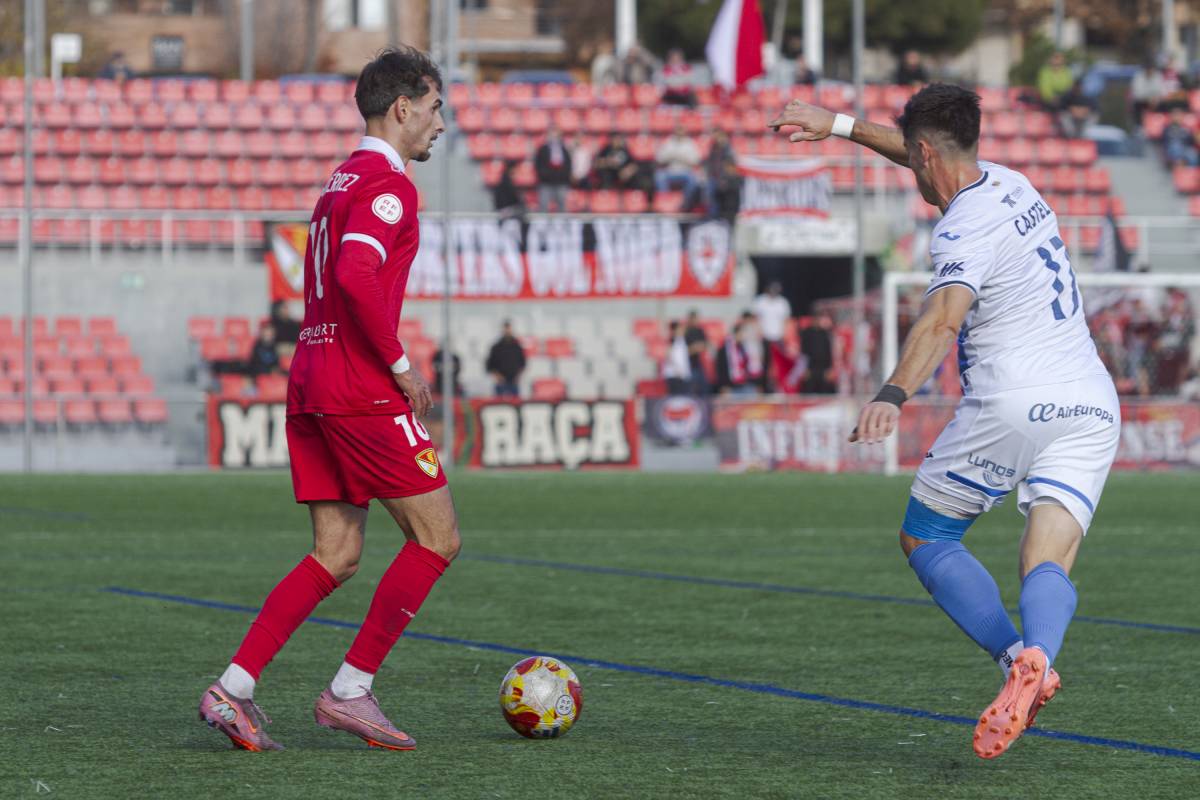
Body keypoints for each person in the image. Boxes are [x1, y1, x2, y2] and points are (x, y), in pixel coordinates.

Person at [771, 83, 1121, 759]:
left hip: (1011, 401)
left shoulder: (960, 226)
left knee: (925, 536)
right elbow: (920, 152)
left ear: (926, 152)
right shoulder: (1014, 184)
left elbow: (942, 317)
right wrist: (839, 125)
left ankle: (1011, 654)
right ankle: (1038, 657)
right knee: (1046, 559)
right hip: (1091, 403)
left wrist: (892, 394)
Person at [197, 47, 458, 753]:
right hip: (358, 386)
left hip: (311, 379)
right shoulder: (387, 185)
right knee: (437, 538)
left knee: (337, 552)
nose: (442, 123)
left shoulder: (339, 182)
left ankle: (233, 689)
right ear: (402, 108)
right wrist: (401, 365)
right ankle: (350, 690)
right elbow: (354, 272)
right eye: (435, 108)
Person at [753, 281, 792, 390]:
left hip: (778, 337)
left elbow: (785, 321)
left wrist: (784, 334)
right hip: (765, 337)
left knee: (780, 364)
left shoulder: (782, 302)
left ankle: (781, 386)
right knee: (765, 364)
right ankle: (764, 387)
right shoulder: (761, 301)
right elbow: (756, 318)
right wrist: (759, 332)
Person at [654, 124, 701, 199]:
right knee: (659, 176)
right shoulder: (669, 142)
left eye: (681, 131)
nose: (679, 133)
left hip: (685, 171)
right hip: (670, 171)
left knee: (693, 179)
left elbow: (696, 161)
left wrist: (683, 157)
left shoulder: (690, 144)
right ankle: (666, 201)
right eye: (678, 131)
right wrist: (671, 156)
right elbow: (659, 158)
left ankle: (685, 203)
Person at [703, 130, 740, 219]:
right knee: (710, 190)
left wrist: (724, 179)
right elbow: (708, 165)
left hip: (726, 180)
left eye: (720, 137)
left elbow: (732, 167)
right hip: (714, 179)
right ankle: (713, 217)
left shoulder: (729, 151)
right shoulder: (713, 150)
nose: (718, 139)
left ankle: (723, 217)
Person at [534, 125, 572, 212]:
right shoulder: (542, 149)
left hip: (561, 182)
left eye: (556, 135)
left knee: (562, 206)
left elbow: (568, 165)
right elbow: (538, 165)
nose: (554, 137)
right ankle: (543, 225)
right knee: (543, 206)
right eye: (552, 135)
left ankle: (561, 225)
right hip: (546, 183)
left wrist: (563, 176)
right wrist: (546, 175)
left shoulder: (564, 149)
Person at [486, 320, 526, 397]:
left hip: (514, 381)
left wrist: (518, 377)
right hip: (501, 382)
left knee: (516, 405)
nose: (507, 330)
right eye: (505, 328)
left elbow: (523, 363)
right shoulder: (496, 347)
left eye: (509, 328)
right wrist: (498, 376)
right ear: (502, 329)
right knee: (499, 405)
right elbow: (490, 365)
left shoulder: (517, 347)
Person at [799, 313, 835, 393]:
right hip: (810, 369)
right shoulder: (806, 333)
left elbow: (828, 352)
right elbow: (803, 352)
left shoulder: (825, 333)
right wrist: (804, 369)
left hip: (823, 369)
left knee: (824, 390)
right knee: (809, 390)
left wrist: (829, 368)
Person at [683, 310, 710, 395]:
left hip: (698, 363)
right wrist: (694, 348)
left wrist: (697, 347)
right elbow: (684, 350)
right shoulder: (685, 332)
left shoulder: (700, 331)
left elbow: (706, 344)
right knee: (690, 388)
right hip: (687, 365)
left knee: (704, 387)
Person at [662, 320, 692, 395]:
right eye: (679, 329)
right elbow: (671, 358)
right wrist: (679, 371)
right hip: (675, 376)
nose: (682, 330)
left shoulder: (682, 341)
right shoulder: (672, 342)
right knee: (676, 399)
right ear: (674, 330)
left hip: (683, 376)